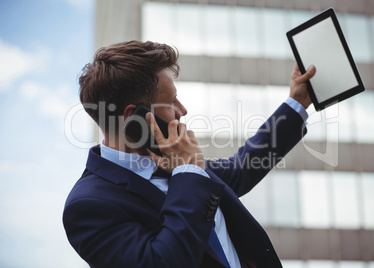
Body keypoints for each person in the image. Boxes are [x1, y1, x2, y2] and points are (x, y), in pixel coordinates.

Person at [63, 40, 315, 268]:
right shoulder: (87, 207)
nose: (182, 110)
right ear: (133, 118)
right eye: (171, 102)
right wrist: (187, 172)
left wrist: (297, 102)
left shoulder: (176, 161)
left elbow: (242, 168)